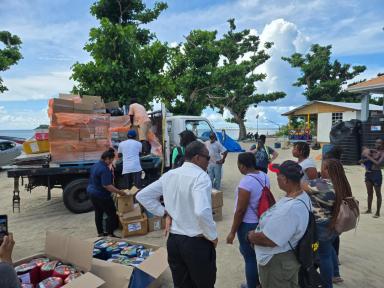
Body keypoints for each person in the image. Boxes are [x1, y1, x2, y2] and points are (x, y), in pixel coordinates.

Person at [136, 141, 218, 288]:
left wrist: (164, 212)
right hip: (196, 243)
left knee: (181, 284)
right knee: (204, 284)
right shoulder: (201, 177)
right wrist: (212, 236)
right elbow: (201, 211)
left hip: (174, 242)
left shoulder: (170, 175)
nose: (209, 161)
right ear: (197, 158)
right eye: (207, 157)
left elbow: (143, 195)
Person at [247, 160, 310, 288]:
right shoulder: (301, 196)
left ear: (286, 180)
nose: (276, 179)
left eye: (278, 176)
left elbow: (270, 239)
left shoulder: (290, 209)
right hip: (286, 257)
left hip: (277, 262)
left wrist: (250, 236)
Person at [303, 158, 357, 287]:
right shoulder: (340, 184)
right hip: (333, 225)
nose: (320, 170)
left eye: (322, 167)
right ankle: (332, 279)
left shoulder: (321, 184)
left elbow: (301, 185)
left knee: (320, 257)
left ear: (327, 170)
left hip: (320, 225)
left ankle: (326, 284)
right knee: (326, 255)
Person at [226, 152, 268, 288]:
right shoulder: (264, 176)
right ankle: (259, 284)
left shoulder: (246, 182)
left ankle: (252, 285)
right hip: (262, 220)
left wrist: (232, 232)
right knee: (259, 254)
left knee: (249, 257)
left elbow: (240, 211)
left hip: (247, 224)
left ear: (242, 166)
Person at [87, 148, 126, 237]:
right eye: (111, 160)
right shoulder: (104, 169)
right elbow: (107, 185)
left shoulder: (95, 165)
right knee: (111, 213)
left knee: (98, 212)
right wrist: (119, 192)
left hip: (91, 192)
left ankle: (100, 233)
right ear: (107, 158)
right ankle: (110, 234)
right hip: (101, 195)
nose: (111, 162)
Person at [361, 138, 384, 218]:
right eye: (376, 143)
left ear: (382, 144)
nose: (377, 144)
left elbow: (378, 163)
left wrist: (368, 156)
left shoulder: (382, 153)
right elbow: (364, 158)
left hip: (377, 174)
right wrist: (363, 160)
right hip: (368, 174)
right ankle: (369, 209)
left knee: (378, 194)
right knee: (369, 193)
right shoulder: (372, 151)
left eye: (379, 143)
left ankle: (377, 212)